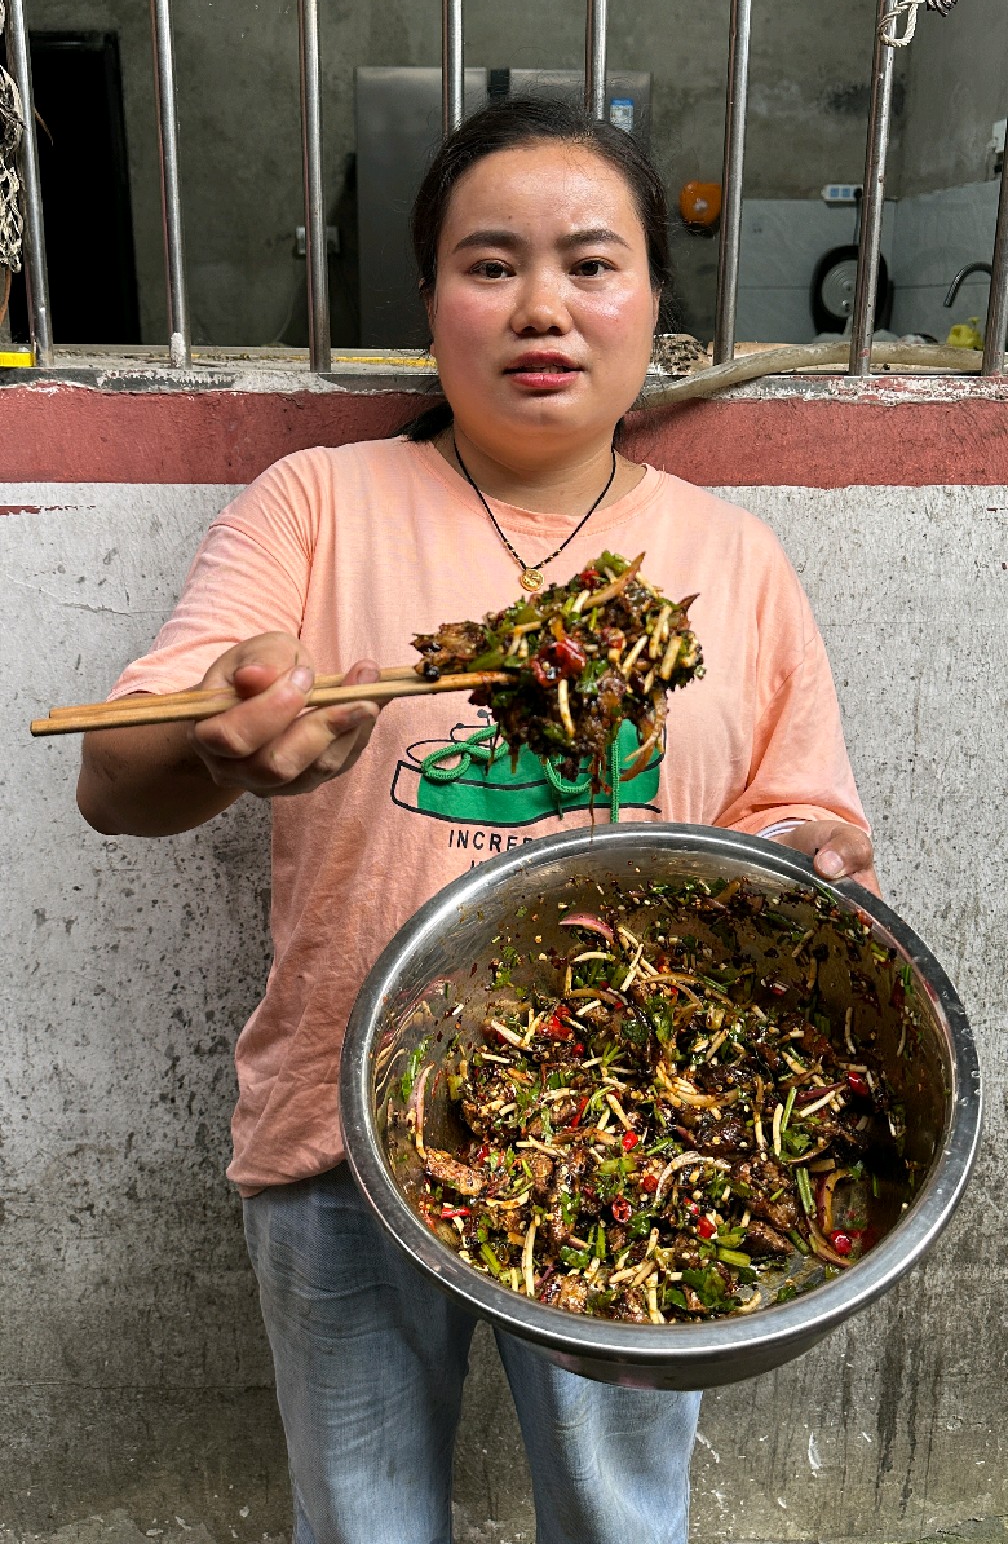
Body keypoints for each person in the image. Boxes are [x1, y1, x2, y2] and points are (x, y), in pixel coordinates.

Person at [77, 97, 879, 1544]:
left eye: (591, 263)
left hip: (634, 1137)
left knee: (619, 1524)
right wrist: (222, 740)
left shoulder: (733, 562)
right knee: (365, 1525)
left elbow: (801, 822)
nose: (543, 308)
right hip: (343, 1130)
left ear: (656, 314)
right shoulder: (318, 505)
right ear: (432, 305)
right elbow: (111, 777)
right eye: (490, 264)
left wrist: (819, 861)